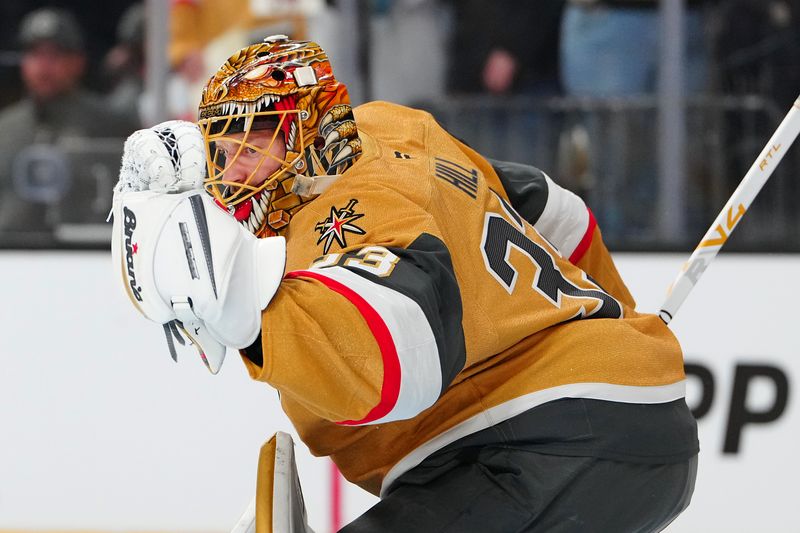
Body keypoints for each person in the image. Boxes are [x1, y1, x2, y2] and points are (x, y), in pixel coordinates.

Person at [111, 36, 698, 531]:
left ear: (310, 131)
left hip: (543, 441)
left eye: (256, 136)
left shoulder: (344, 216)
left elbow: (403, 357)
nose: (232, 166)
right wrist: (617, 322)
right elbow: (548, 207)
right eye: (223, 144)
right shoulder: (393, 127)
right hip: (591, 425)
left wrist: (251, 316)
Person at [0, 7, 139, 236]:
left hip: (85, 255)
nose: (44, 66)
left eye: (55, 55)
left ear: (78, 62)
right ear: (23, 62)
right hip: (11, 257)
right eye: (35, 54)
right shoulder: (5, 128)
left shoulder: (113, 126)